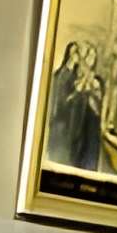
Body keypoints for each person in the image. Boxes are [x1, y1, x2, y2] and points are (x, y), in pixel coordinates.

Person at [46, 40, 103, 171]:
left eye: (93, 56)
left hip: (87, 122)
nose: (89, 59)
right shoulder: (66, 75)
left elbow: (97, 106)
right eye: (88, 55)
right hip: (69, 123)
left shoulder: (95, 80)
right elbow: (63, 100)